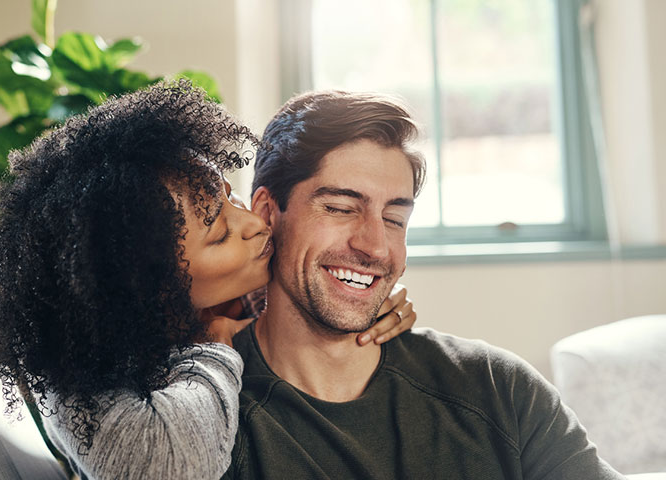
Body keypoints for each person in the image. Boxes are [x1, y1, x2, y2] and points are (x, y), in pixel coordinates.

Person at [0, 81, 415, 479]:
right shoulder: (82, 367)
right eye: (219, 234)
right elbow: (166, 468)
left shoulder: (222, 297)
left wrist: (357, 294)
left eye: (230, 197)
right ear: (151, 287)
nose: (255, 223)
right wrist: (214, 346)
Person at [222, 90, 625, 479]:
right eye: (341, 209)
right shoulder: (212, 415)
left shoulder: (496, 387)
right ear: (266, 212)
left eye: (395, 219)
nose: (376, 247)